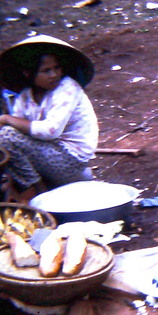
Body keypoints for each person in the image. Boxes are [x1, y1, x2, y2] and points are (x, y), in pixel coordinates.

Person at [0, 35, 98, 204]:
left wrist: (6, 119)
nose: (54, 75)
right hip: (49, 154)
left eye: (56, 68)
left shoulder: (67, 88)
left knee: (8, 135)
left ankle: (35, 188)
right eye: (46, 71)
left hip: (70, 160)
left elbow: (49, 131)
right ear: (28, 73)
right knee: (6, 137)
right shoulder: (25, 96)